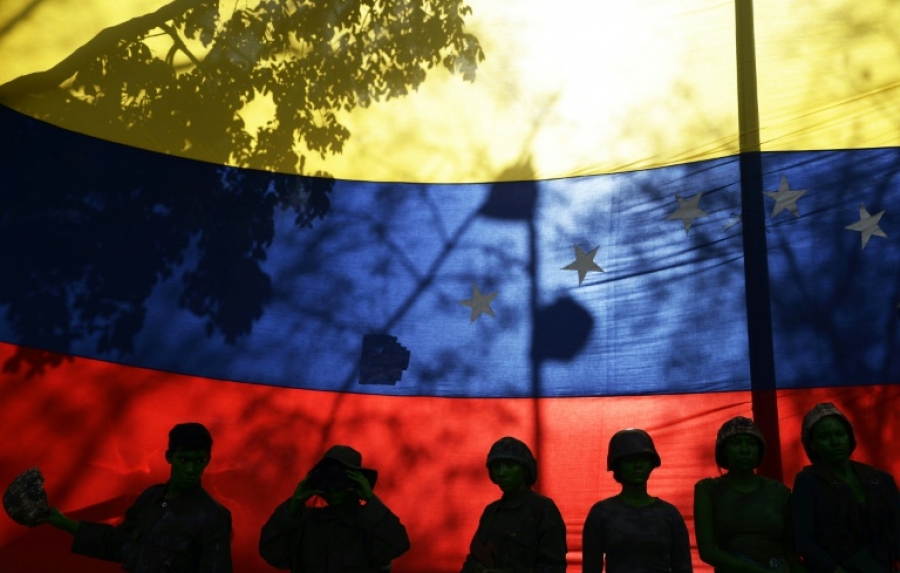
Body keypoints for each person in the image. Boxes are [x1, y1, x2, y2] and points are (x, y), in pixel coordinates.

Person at [43, 422, 233, 572]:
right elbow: (118, 543)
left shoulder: (213, 517)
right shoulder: (151, 498)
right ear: (170, 457)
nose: (190, 469)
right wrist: (64, 523)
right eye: (184, 460)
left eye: (198, 461)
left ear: (207, 460)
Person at [259, 444, 410, 572]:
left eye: (341, 480)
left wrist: (370, 499)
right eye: (327, 480)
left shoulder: (370, 527)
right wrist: (295, 502)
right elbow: (270, 550)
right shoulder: (307, 523)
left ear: (356, 482)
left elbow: (399, 545)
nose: (332, 489)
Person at [791, 402, 900, 573]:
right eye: (825, 437)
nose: (835, 442)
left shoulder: (880, 480)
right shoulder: (808, 482)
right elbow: (804, 541)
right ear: (812, 444)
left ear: (849, 437)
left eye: (840, 434)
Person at [694, 416, 801, 573]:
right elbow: (708, 552)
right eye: (736, 443)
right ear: (723, 451)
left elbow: (790, 551)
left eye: (751, 444)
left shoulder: (779, 491)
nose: (744, 450)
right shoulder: (708, 490)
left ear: (759, 451)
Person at [582, 429, 692, 573]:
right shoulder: (601, 513)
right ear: (618, 466)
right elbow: (591, 567)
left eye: (644, 459)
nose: (638, 465)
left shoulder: (669, 514)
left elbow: (683, 567)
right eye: (630, 460)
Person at [461, 436, 567, 573]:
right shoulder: (492, 512)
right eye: (496, 466)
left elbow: (554, 568)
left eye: (510, 465)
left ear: (525, 470)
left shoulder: (543, 510)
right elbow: (474, 558)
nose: (502, 473)